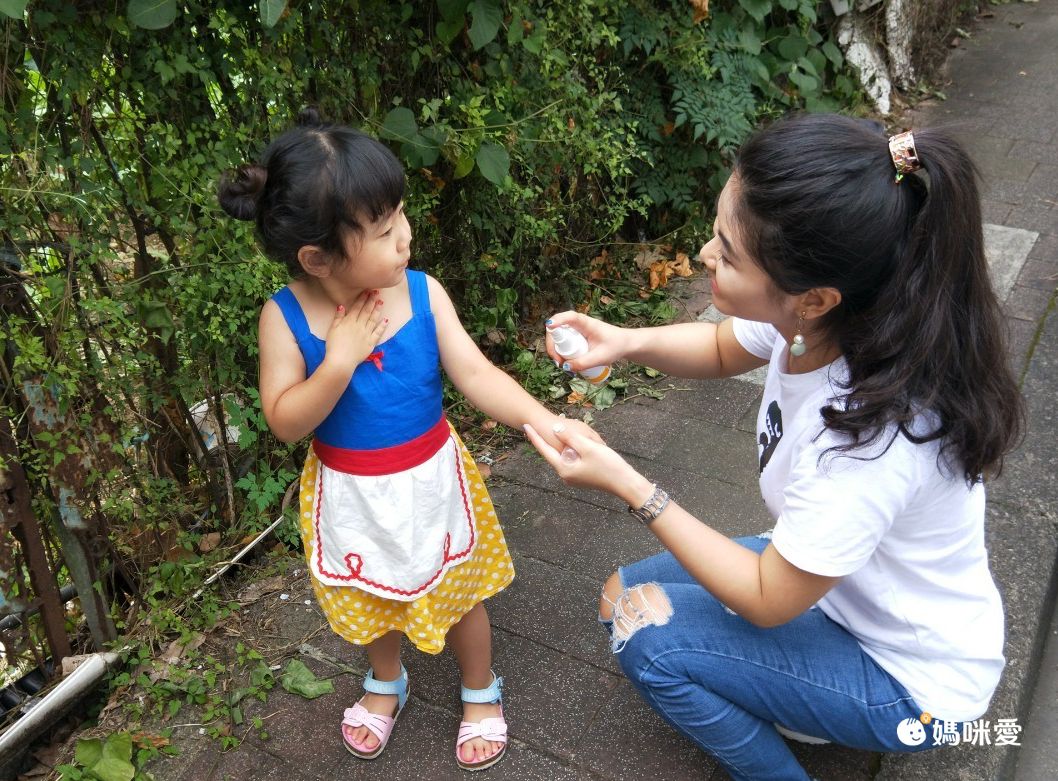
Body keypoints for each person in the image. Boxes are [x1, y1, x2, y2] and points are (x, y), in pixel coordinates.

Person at [524, 113, 1024, 781]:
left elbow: (766, 598)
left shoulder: (866, 438)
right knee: (621, 593)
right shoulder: (830, 322)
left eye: (728, 254)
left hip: (914, 685)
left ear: (814, 298)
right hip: (839, 588)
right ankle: (791, 691)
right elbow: (720, 345)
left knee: (645, 634)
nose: (706, 254)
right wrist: (623, 341)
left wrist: (627, 483)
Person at [218, 108, 594, 771]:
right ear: (317, 257)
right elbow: (284, 420)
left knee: (461, 592)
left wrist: (545, 418)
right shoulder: (283, 318)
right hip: (353, 495)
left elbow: (476, 373)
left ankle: (479, 686)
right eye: (386, 229)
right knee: (374, 598)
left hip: (431, 482)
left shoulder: (421, 293)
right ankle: (386, 679)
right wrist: (337, 361)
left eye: (402, 216)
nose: (406, 236)